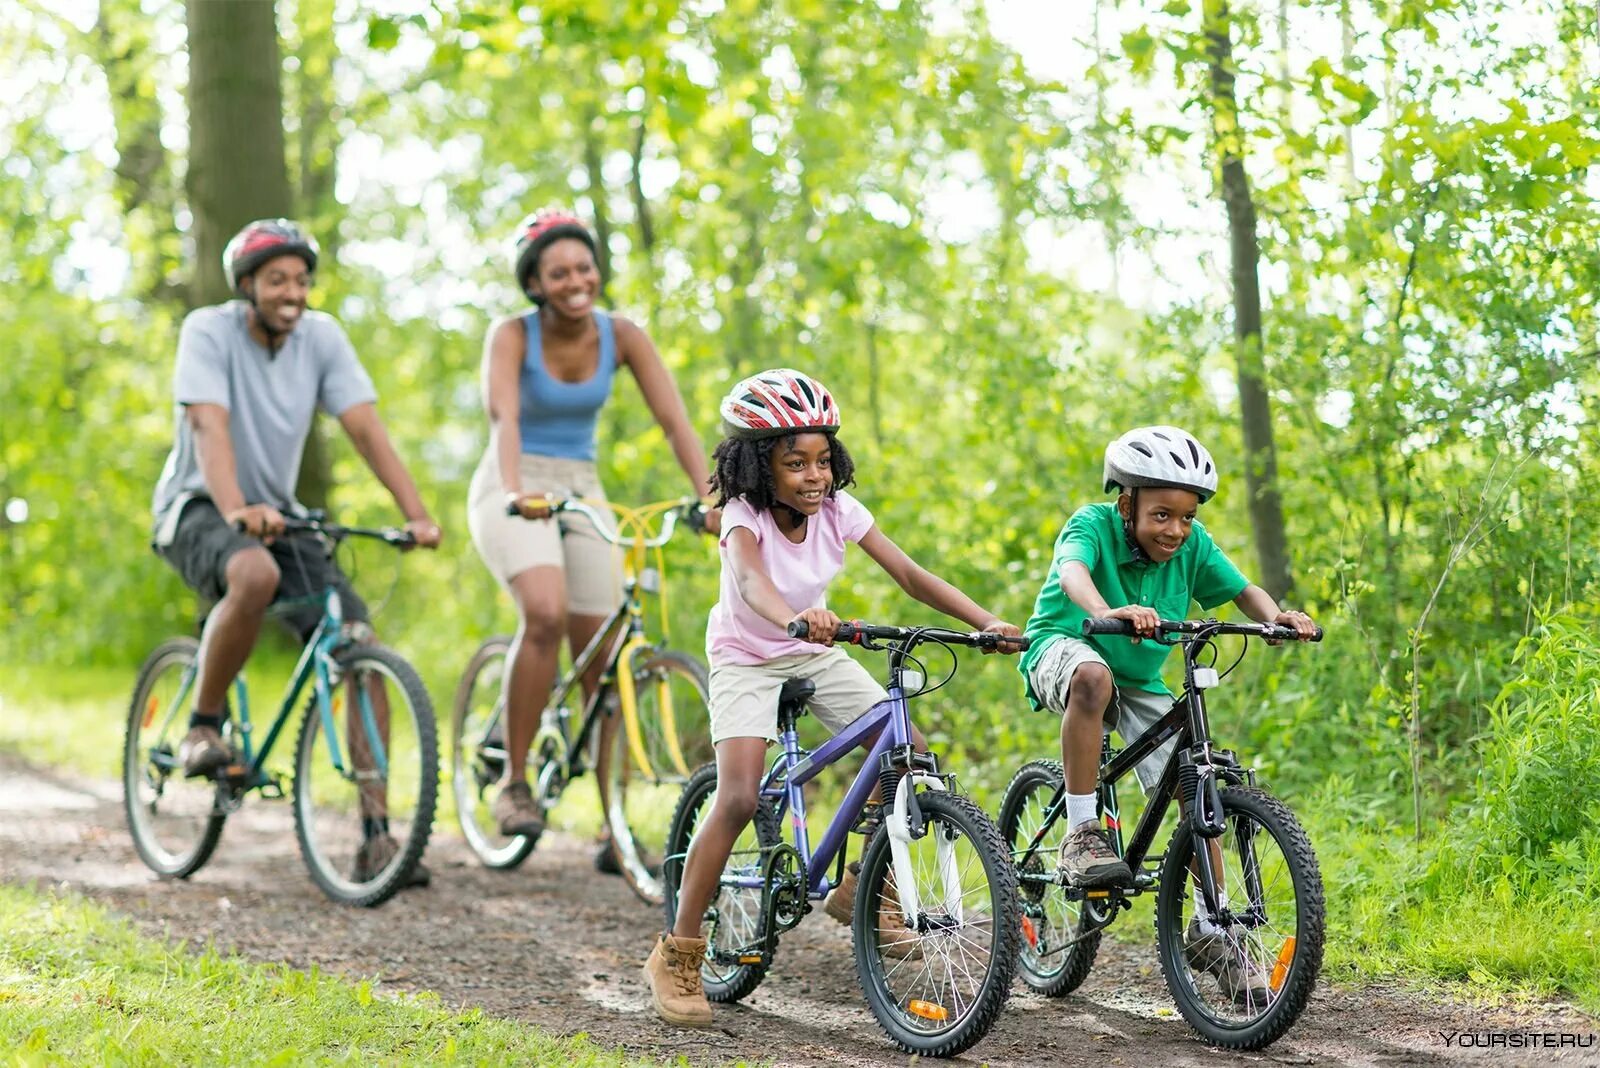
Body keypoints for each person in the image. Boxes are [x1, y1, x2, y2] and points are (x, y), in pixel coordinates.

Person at [641, 368, 1022, 1027]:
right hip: (747, 655)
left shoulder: (840, 510)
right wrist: (794, 613)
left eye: (823, 460)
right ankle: (678, 952)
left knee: (908, 751)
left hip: (813, 646)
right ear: (760, 467)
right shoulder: (741, 517)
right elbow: (752, 582)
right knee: (736, 796)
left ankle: (866, 892)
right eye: (796, 463)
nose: (814, 476)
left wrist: (983, 622)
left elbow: (908, 573)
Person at [150, 218, 443, 883]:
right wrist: (234, 509)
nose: (293, 292)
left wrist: (416, 513)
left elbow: (364, 426)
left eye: (302, 280)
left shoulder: (322, 338)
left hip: (279, 516)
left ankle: (376, 837)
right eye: (278, 279)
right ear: (247, 285)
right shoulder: (208, 330)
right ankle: (202, 724)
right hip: (198, 506)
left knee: (359, 644)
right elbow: (207, 423)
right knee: (250, 573)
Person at [1016, 424, 1316, 997]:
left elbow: (1242, 589)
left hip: (1138, 677)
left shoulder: (1194, 544)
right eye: (1161, 515)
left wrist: (1276, 615)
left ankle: (1212, 929)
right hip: (1065, 646)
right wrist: (1110, 609)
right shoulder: (1092, 524)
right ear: (1126, 504)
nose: (1175, 529)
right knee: (1092, 677)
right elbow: (1072, 572)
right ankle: (1082, 831)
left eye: (1186, 516)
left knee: (1192, 785)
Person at [467, 209, 720, 843]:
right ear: (534, 283)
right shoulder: (511, 336)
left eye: (584, 267)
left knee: (604, 654)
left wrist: (713, 499)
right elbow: (505, 418)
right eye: (558, 272)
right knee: (546, 615)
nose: (575, 280)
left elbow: (674, 423)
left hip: (581, 483)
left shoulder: (623, 335)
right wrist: (517, 488)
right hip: (513, 478)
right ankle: (514, 782)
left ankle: (613, 821)